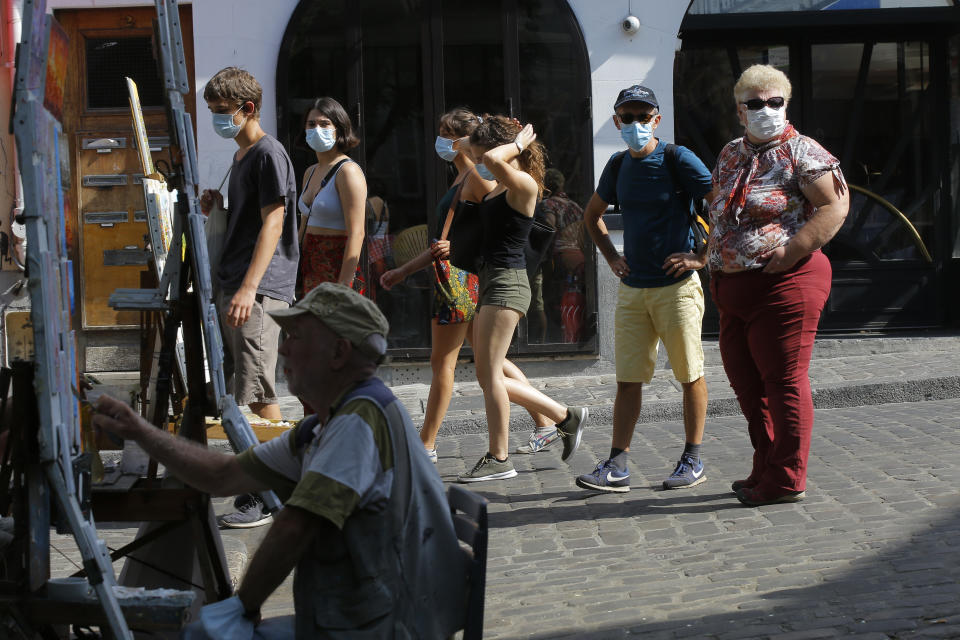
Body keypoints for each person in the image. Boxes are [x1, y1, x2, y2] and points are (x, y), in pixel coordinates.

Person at [94, 284, 467, 638]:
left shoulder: (359, 420)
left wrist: (243, 606)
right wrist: (140, 430)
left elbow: (294, 527)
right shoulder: (323, 426)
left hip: (388, 628)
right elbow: (223, 476)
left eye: (296, 337)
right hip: (363, 620)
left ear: (338, 353)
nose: (284, 350)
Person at [379, 108, 560, 465]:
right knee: (489, 363)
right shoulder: (463, 176)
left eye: (449, 134)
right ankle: (546, 422)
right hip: (460, 274)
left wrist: (513, 139)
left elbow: (481, 232)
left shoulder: (479, 178)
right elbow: (446, 239)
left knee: (448, 363)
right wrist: (405, 270)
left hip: (465, 278)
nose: (444, 141)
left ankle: (427, 443)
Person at [708, 65, 848, 506]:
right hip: (733, 288)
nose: (765, 111)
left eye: (774, 103)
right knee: (746, 383)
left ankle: (787, 478)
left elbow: (834, 206)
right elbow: (721, 210)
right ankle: (766, 462)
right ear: (739, 110)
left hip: (786, 282)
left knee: (783, 380)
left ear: (786, 105)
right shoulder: (731, 152)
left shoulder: (802, 151)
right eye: (755, 104)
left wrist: (793, 250)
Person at [575, 85, 713, 493]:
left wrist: (700, 258)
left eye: (642, 116)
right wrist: (612, 258)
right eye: (627, 116)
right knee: (628, 380)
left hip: (677, 288)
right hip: (634, 290)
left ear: (656, 119)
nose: (635, 123)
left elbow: (721, 204)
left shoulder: (677, 158)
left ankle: (693, 457)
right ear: (617, 121)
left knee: (690, 375)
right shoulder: (618, 165)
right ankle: (617, 464)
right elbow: (592, 216)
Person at [449, 115, 588, 482]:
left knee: (490, 375)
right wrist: (484, 128)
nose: (480, 161)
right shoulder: (496, 186)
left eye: (485, 155)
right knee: (486, 374)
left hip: (509, 284)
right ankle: (564, 416)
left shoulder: (524, 185)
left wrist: (518, 141)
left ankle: (499, 457)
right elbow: (464, 147)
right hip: (492, 280)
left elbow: (494, 159)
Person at [199, 67, 299, 527]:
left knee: (259, 392)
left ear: (248, 109)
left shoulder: (267, 154)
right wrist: (217, 209)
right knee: (252, 387)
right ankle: (272, 487)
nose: (219, 121)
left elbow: (274, 223)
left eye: (222, 113)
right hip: (240, 282)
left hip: (258, 289)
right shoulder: (242, 157)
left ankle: (271, 492)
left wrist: (248, 289)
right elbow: (247, 222)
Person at [297, 97, 367, 294]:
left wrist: (344, 285)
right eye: (311, 124)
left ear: (339, 128)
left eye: (324, 123)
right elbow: (303, 227)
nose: (317, 129)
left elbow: (357, 232)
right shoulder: (309, 172)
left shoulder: (348, 171)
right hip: (309, 269)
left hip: (336, 268)